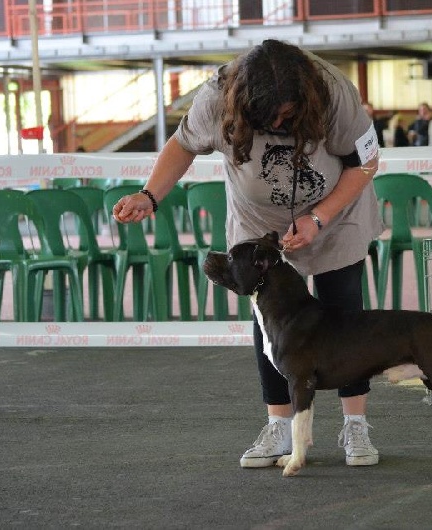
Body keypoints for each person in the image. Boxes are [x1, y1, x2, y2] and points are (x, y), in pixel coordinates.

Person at [112, 39, 384, 469]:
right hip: (256, 219)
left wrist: (319, 218)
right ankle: (278, 427)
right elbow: (183, 145)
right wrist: (150, 194)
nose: (279, 122)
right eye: (269, 117)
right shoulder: (217, 97)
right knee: (269, 319)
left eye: (288, 114)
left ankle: (355, 424)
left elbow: (365, 163)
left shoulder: (333, 90)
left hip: (337, 213)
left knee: (344, 312)